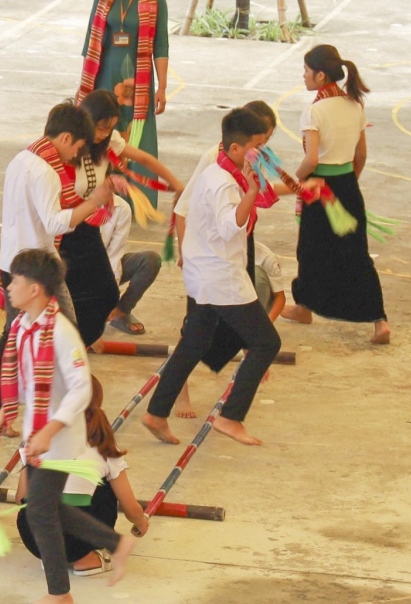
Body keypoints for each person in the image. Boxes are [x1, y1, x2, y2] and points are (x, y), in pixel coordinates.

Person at [0, 249, 136, 602]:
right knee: (48, 509)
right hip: (38, 434)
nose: (9, 287)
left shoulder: (62, 333)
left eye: (17, 280)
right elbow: (24, 377)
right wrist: (5, 411)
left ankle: (60, 594)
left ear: (35, 288)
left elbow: (81, 388)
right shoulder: (24, 325)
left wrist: (50, 430)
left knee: (39, 511)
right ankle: (117, 545)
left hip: (59, 438)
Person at [141, 109, 283, 447]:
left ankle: (156, 412)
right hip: (221, 276)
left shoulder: (219, 171)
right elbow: (228, 226)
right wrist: (249, 194)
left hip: (205, 271)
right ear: (235, 149)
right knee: (267, 343)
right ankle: (231, 417)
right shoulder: (223, 183)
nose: (262, 154)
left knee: (196, 341)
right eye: (257, 147)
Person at [0, 104, 112, 412]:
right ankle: (59, 401)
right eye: (78, 148)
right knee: (61, 330)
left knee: (18, 336)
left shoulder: (21, 159)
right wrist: (94, 202)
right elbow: (56, 223)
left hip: (16, 262)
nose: (75, 157)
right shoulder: (45, 171)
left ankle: (7, 403)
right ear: (66, 138)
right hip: (35, 269)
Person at [281, 45, 389, 345]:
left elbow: (312, 159)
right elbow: (361, 154)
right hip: (347, 185)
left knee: (311, 249)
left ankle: (304, 307)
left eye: (305, 70)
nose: (303, 76)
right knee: (356, 253)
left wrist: (294, 181)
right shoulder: (355, 105)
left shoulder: (314, 110)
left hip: (318, 188)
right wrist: (348, 183)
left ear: (320, 74)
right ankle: (380, 322)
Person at [15, 375, 149, 578]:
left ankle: (52, 557)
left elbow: (20, 499)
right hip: (79, 539)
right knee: (104, 487)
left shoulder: (37, 440)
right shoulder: (104, 447)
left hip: (35, 538)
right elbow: (130, 507)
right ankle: (85, 559)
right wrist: (141, 523)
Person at [77, 89, 183, 337]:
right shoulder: (73, 147)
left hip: (98, 260)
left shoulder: (120, 208)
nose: (104, 134)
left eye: (109, 129)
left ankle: (116, 312)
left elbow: (145, 159)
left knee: (148, 260)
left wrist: (177, 184)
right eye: (101, 127)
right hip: (73, 237)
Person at [77, 0, 169, 206]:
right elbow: (90, 43)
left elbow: (160, 46)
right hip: (105, 75)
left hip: (137, 81)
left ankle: (134, 199)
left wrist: (161, 86)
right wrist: (83, 83)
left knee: (135, 132)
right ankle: (97, 192)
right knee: (101, 128)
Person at [100, 196, 162, 336]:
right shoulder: (75, 203)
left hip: (103, 268)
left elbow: (114, 255)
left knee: (151, 260)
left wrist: (110, 297)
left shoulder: (122, 208)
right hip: (74, 272)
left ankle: (120, 313)